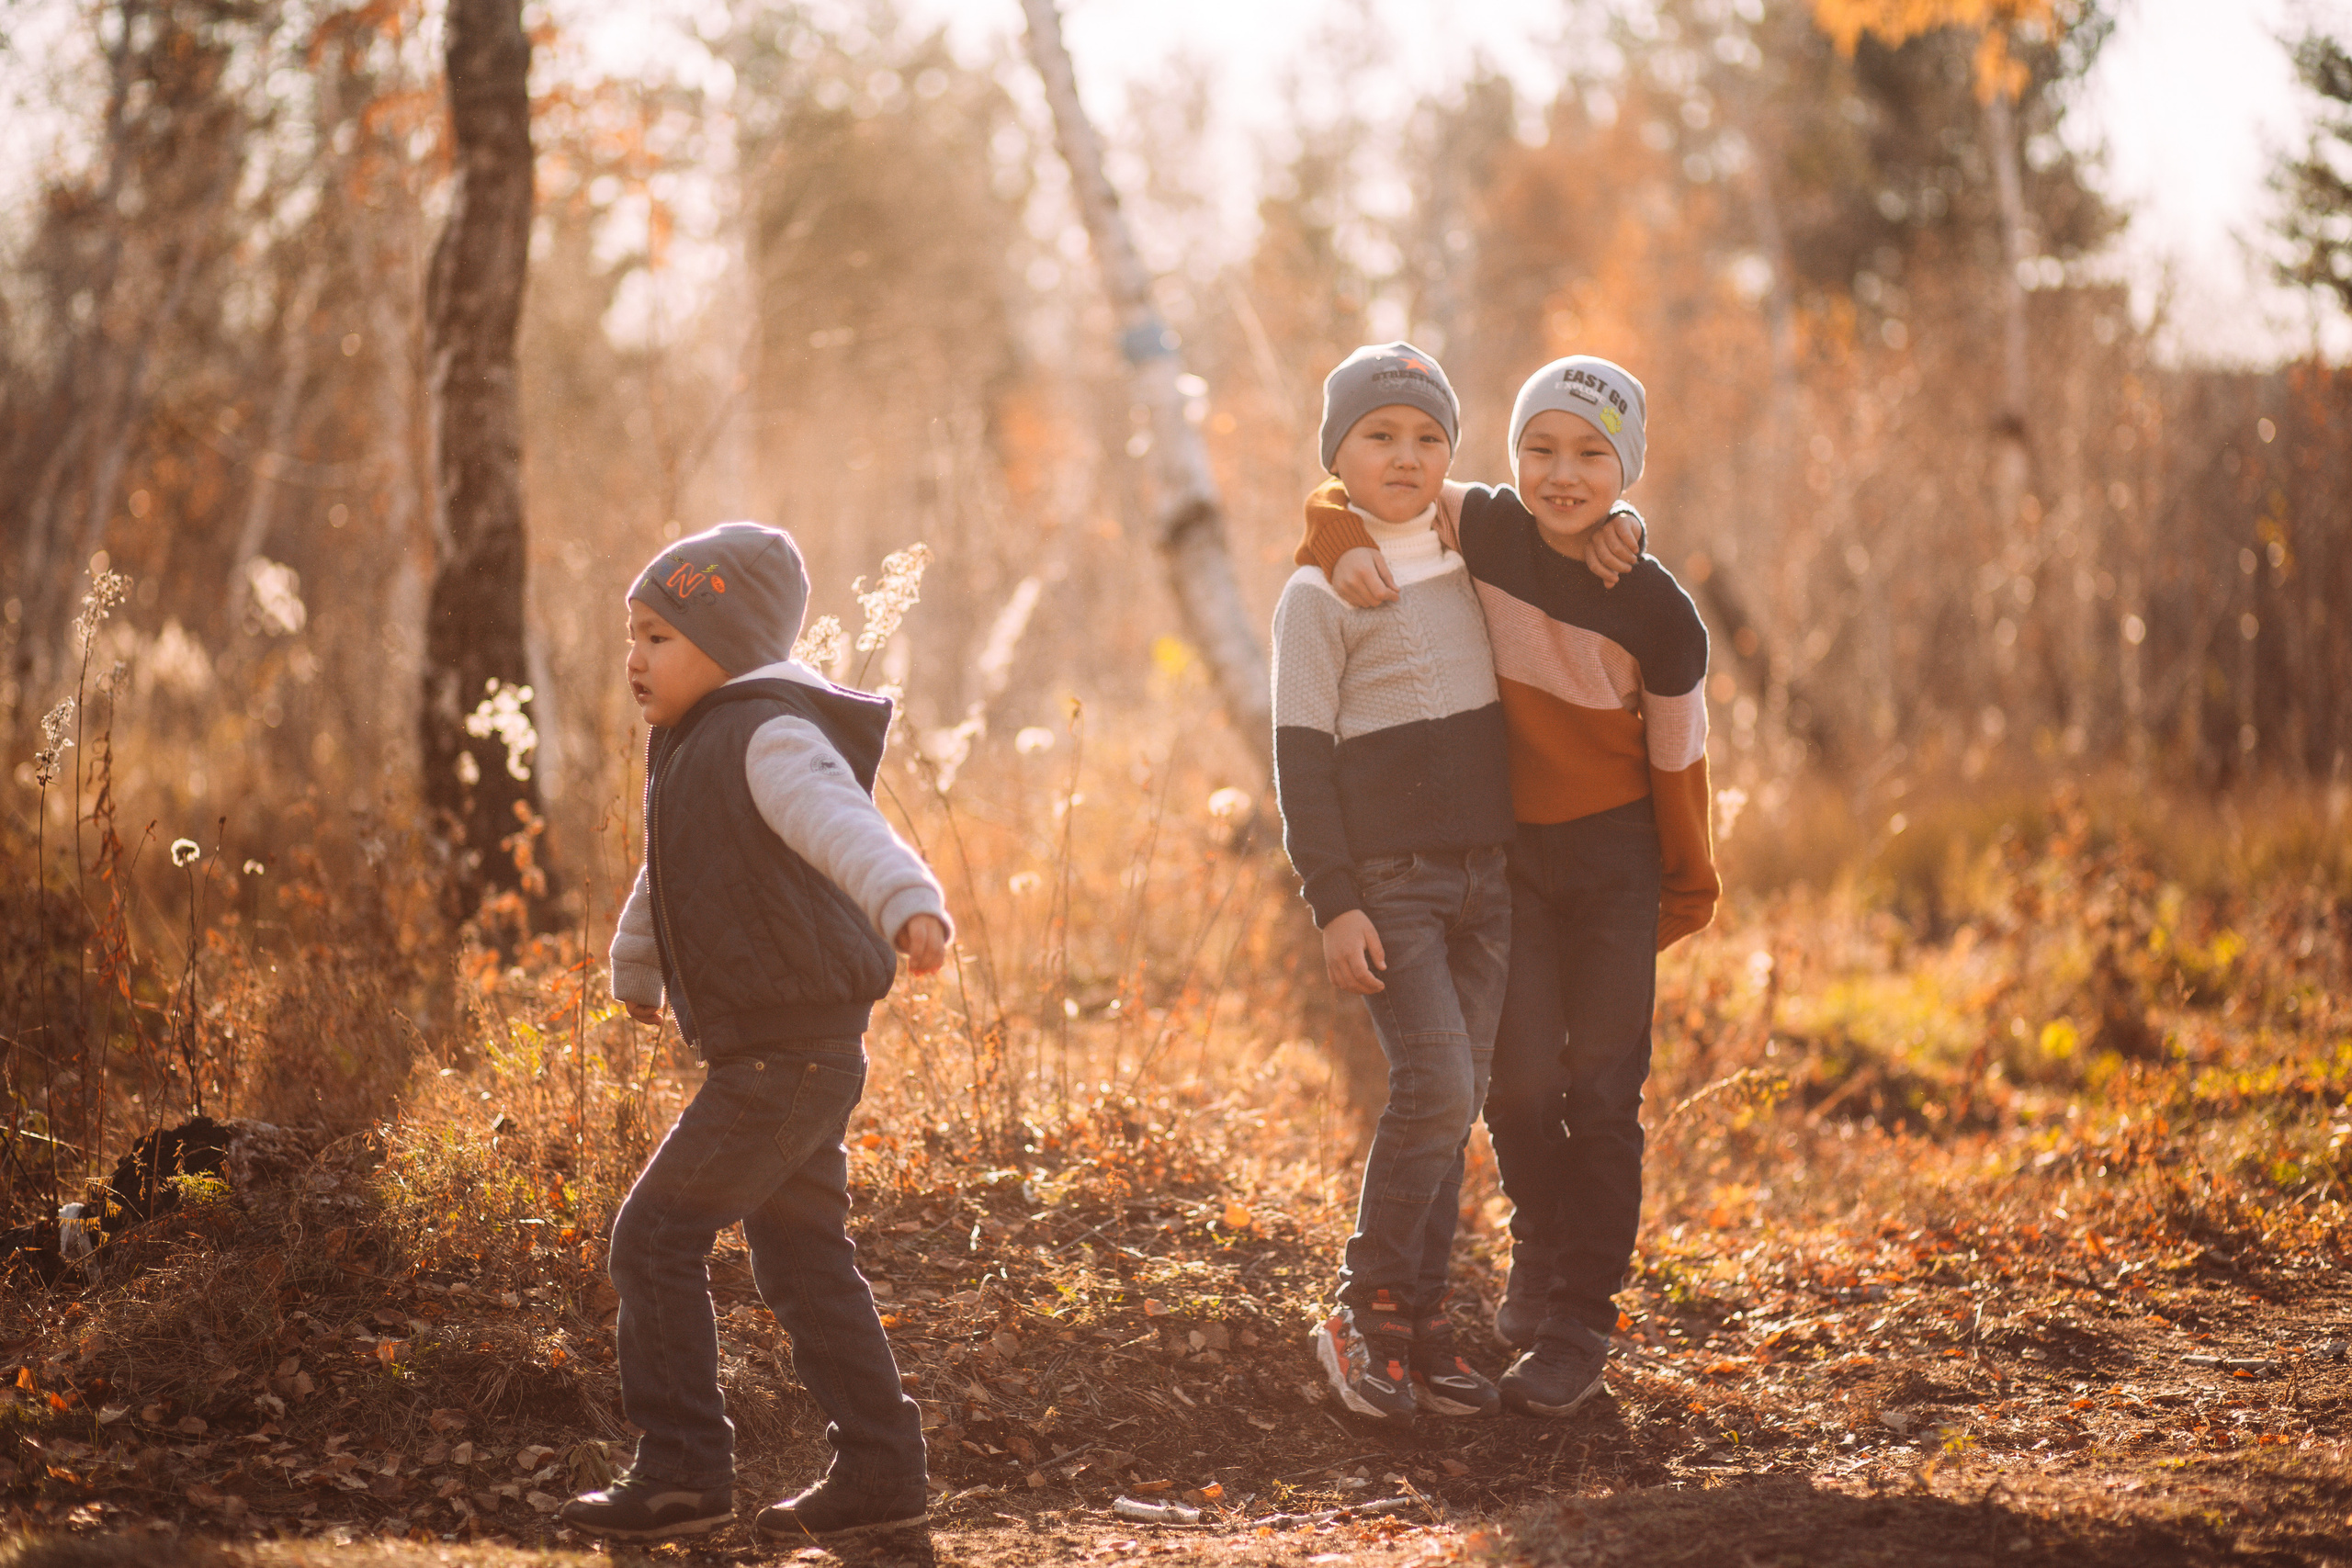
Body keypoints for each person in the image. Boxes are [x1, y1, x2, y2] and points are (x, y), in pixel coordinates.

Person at [1296, 355, 1717, 1418]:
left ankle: (1580, 1318)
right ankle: (1538, 1246)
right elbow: (1362, 487)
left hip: (1617, 863)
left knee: (1602, 1091)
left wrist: (1687, 884)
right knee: (1516, 1083)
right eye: (1540, 449)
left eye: (1590, 456)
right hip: (1511, 858)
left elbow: (1681, 762)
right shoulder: (1481, 526)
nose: (1561, 475)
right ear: (1511, 453)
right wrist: (1332, 539)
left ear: (1626, 468)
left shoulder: (1660, 614)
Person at [560, 522, 950, 1544]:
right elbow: (670, 869)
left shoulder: (769, 734)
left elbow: (841, 822)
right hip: (776, 1053)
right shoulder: (695, 747)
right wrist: (636, 965)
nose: (635, 660)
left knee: (654, 1239)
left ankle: (683, 1467)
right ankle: (880, 1472)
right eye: (632, 636)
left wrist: (908, 901)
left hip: (788, 1055)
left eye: (660, 639)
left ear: (728, 644)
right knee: (802, 1257)